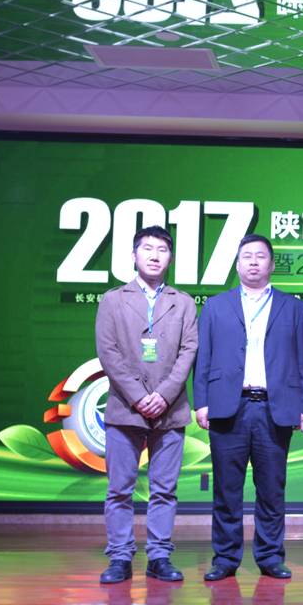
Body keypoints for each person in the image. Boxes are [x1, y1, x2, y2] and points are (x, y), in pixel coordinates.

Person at [193, 234, 303, 581]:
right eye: (247, 256)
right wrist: (201, 402)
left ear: (272, 264)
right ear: (237, 265)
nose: (254, 262)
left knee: (272, 488)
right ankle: (225, 558)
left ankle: (270, 555)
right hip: (227, 406)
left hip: (275, 407)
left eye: (261, 256)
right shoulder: (215, 306)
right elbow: (203, 359)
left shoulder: (294, 308)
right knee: (226, 488)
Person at [95, 226, 198, 584]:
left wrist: (165, 394)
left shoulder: (184, 302)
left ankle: (159, 557)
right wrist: (139, 397)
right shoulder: (112, 299)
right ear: (134, 255)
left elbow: (189, 351)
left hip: (170, 410)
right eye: (147, 248)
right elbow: (107, 352)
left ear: (171, 257)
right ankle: (120, 557)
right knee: (119, 489)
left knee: (164, 490)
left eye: (162, 250)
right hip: (125, 409)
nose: (155, 255)